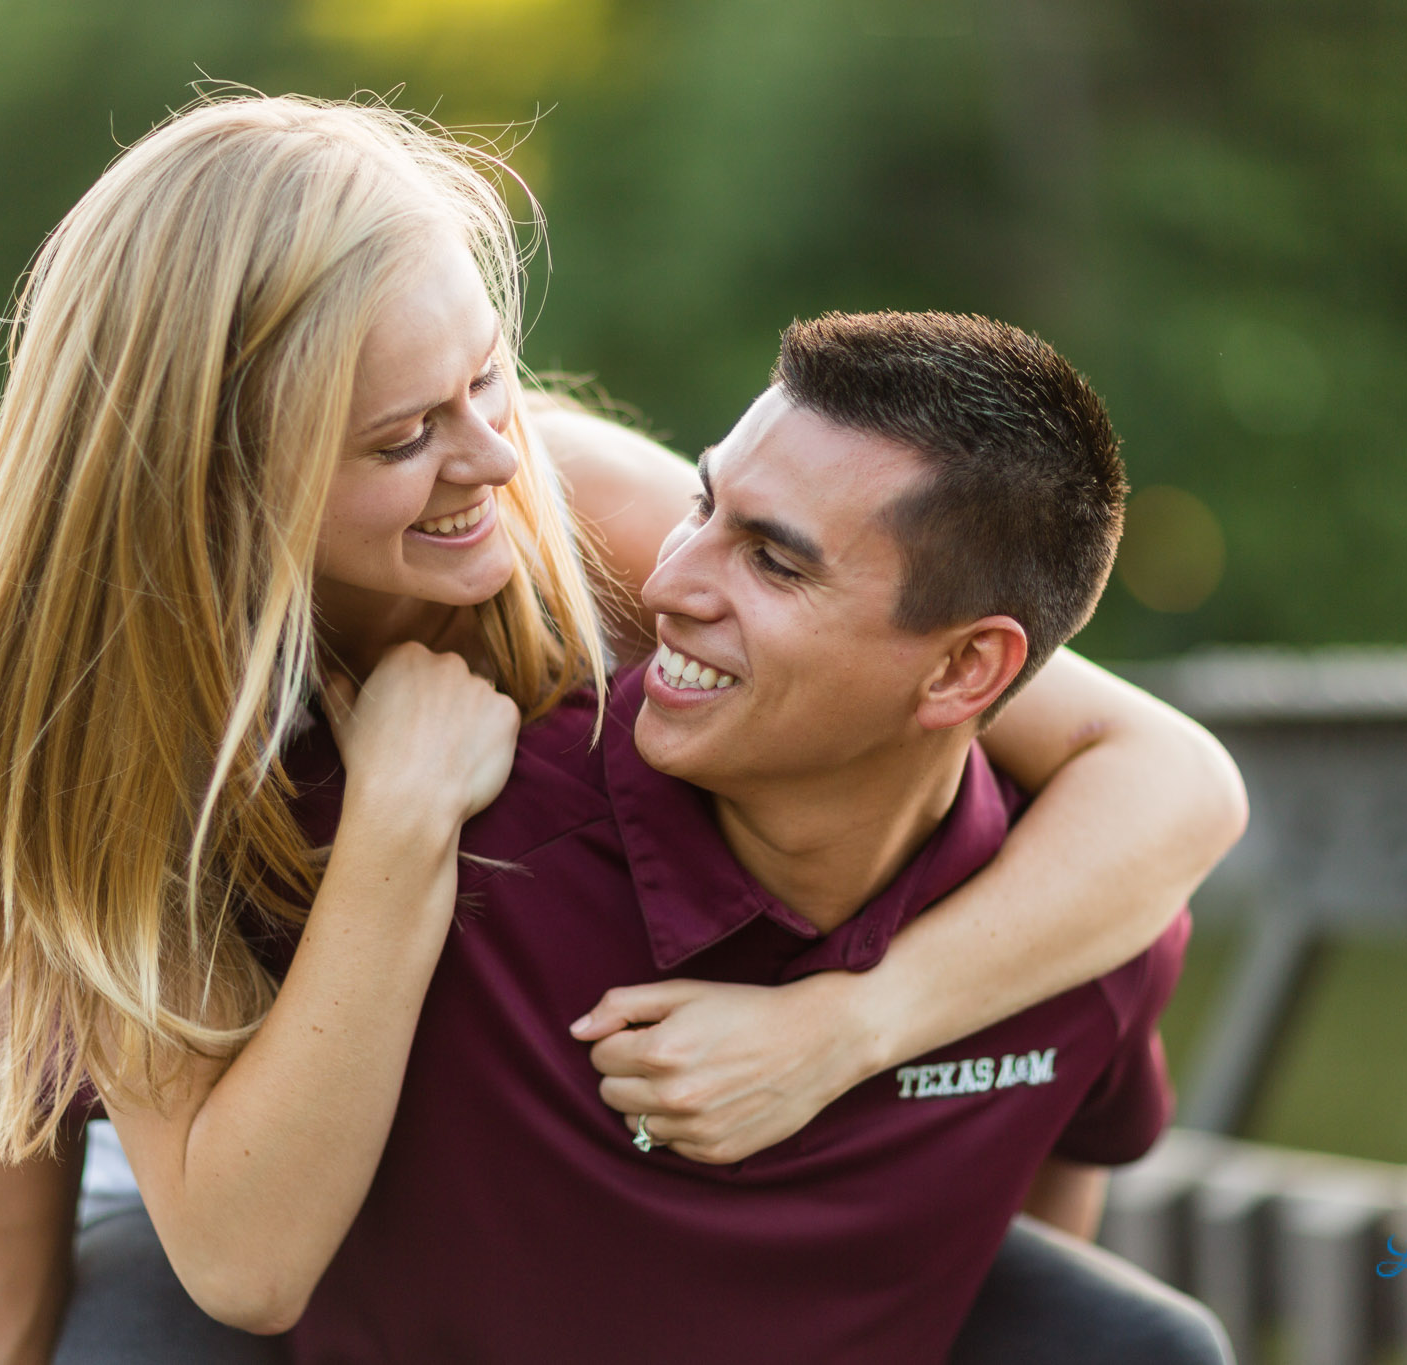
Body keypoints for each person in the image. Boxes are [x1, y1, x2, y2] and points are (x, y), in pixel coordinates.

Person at [0, 95, 1245, 1364]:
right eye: (405, 435)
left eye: (489, 379)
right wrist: (402, 814)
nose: (492, 456)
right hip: (206, 1164)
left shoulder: (586, 508)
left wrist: (846, 1028)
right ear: (223, 475)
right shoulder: (98, 717)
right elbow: (182, 1224)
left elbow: (1173, 782)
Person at [181, 309, 1228, 1362]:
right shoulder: (410, 832)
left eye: (773, 563)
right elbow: (70, 1109)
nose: (665, 582)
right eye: (701, 504)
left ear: (964, 672)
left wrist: (847, 1031)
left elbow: (1049, 1173)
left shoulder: (1080, 926)